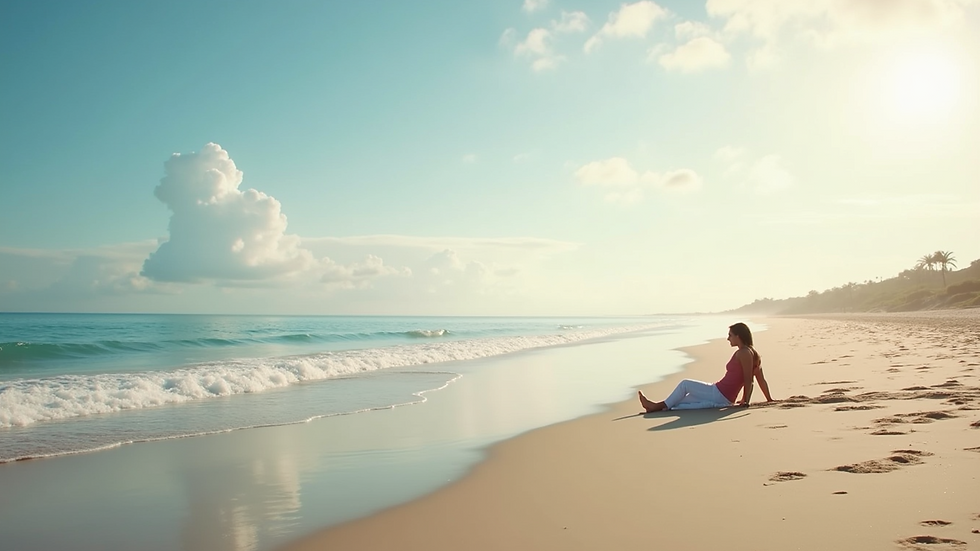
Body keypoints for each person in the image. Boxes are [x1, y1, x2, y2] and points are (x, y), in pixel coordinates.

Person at [638, 322, 773, 412]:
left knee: (685, 384)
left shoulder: (744, 353)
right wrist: (769, 400)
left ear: (738, 336)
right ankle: (656, 407)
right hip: (721, 394)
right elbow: (761, 380)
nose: (728, 339)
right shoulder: (753, 354)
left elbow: (749, 380)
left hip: (719, 394)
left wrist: (746, 402)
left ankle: (654, 406)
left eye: (730, 335)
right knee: (681, 402)